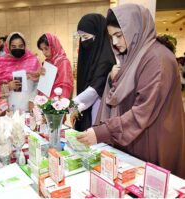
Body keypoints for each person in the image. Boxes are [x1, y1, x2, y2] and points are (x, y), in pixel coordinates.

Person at [76, 4, 185, 178]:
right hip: (137, 139)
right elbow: (120, 96)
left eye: (119, 35)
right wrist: (113, 79)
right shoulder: (133, 56)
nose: (115, 42)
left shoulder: (157, 59)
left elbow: (142, 111)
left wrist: (102, 132)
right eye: (111, 37)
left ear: (136, 28)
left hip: (155, 140)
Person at [70, 14, 116, 131]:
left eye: (86, 37)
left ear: (98, 34)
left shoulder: (106, 59)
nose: (84, 41)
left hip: (98, 110)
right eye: (81, 37)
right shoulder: (90, 56)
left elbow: (95, 89)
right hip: (86, 109)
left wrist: (70, 105)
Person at [0, 32, 41, 112]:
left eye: (20, 46)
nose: (17, 48)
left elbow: (38, 84)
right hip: (7, 109)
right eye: (13, 46)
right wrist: (8, 87)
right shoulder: (1, 62)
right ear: (8, 47)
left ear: (25, 46)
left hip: (28, 108)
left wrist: (32, 100)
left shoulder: (33, 60)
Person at [36, 33, 73, 98]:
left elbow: (64, 88)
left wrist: (54, 105)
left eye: (46, 48)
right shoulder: (48, 62)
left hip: (57, 103)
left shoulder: (63, 62)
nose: (44, 52)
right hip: (45, 102)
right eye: (42, 49)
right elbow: (44, 86)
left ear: (53, 46)